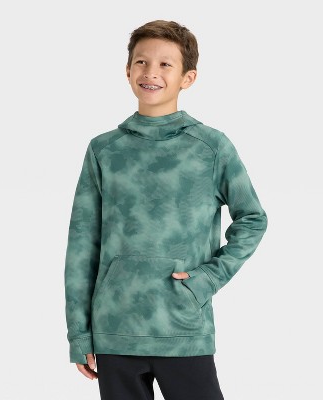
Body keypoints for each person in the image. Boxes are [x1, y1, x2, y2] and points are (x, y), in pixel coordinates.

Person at [64, 19, 268, 400]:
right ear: (127, 70)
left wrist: (207, 279)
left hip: (183, 327)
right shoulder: (103, 150)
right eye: (141, 62)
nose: (150, 72)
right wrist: (79, 332)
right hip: (115, 329)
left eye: (165, 64)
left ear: (187, 78)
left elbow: (253, 218)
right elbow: (81, 245)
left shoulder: (211, 148)